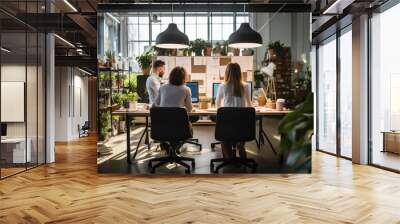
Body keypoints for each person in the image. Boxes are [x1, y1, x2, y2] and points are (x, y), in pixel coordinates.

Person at [215, 63, 252, 159]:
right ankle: (240, 144)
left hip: (228, 122)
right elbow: (249, 105)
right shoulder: (246, 86)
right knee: (241, 126)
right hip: (242, 124)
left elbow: (217, 104)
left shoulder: (223, 86)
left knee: (223, 134)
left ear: (227, 73)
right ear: (239, 73)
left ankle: (228, 157)